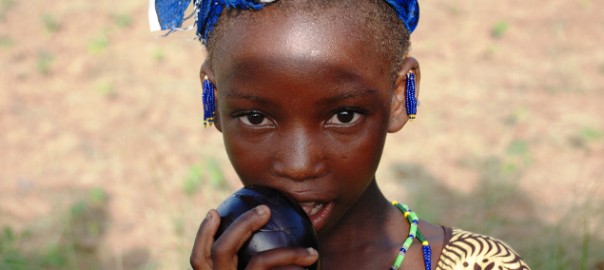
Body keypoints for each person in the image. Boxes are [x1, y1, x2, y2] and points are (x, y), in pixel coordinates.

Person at [149, 0, 531, 269]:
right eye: (254, 118)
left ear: (399, 95)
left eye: (343, 115)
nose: (298, 166)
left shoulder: (478, 265)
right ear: (212, 98)